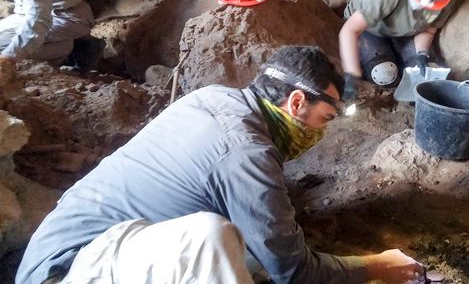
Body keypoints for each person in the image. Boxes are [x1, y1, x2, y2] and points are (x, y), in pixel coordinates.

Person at [16, 46, 424, 284]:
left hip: (96, 250)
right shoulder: (247, 152)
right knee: (213, 237)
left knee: (243, 253)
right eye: (325, 119)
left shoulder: (212, 98)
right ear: (296, 103)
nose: (321, 132)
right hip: (67, 272)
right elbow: (292, 270)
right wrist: (375, 266)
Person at [339, 0, 461, 102]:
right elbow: (349, 30)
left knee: (428, 75)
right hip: (369, 29)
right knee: (383, 73)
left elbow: (429, 29)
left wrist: (422, 54)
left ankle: (410, 94)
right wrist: (351, 77)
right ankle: (392, 80)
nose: (424, 5)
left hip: (406, 33)